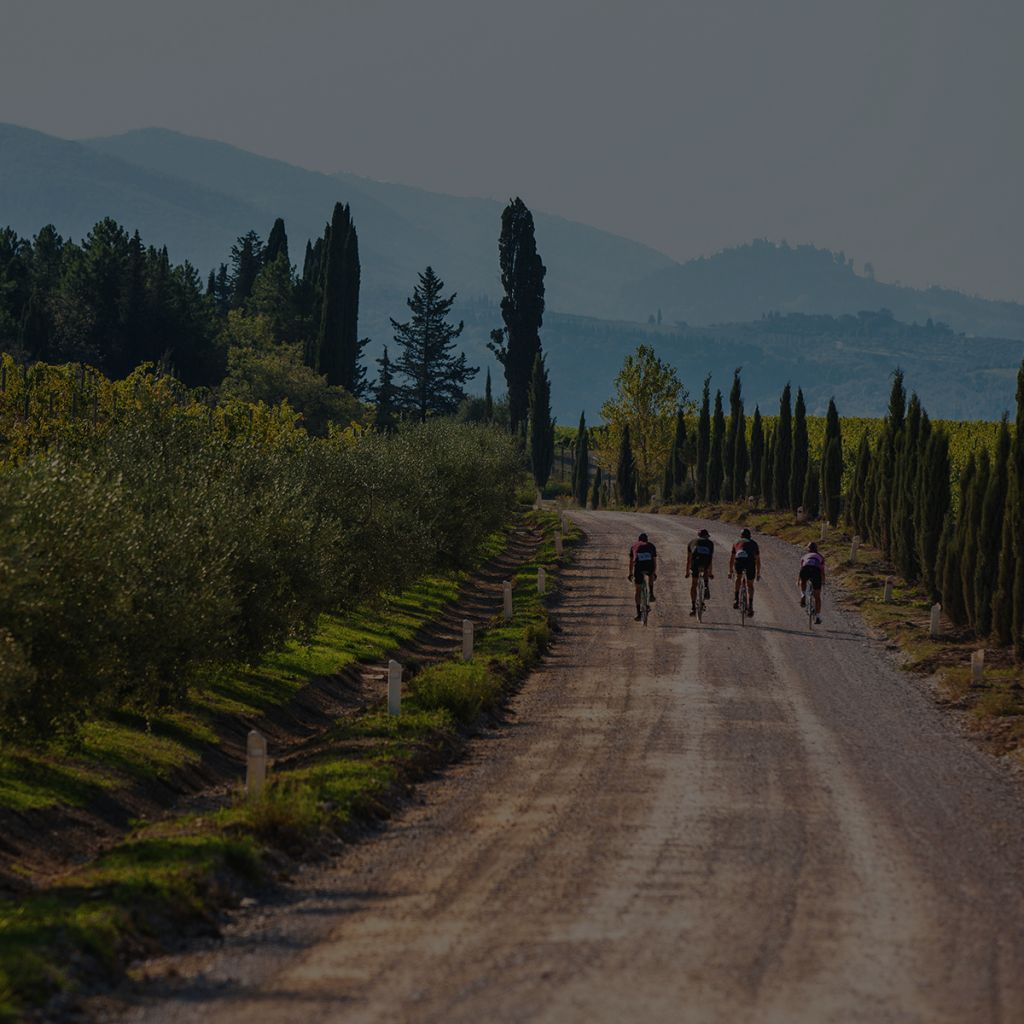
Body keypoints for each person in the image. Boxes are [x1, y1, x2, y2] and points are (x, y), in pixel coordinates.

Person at [729, 527, 761, 616]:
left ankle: (736, 599)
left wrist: (730, 571)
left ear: (741, 536)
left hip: (739, 561)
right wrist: (758, 572)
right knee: (750, 584)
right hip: (750, 563)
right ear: (750, 536)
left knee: (738, 577)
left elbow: (732, 559)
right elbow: (758, 560)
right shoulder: (754, 543)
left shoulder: (736, 542)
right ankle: (750, 606)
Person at [628, 532, 658, 622]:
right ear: (647, 540)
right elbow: (654, 561)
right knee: (651, 574)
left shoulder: (634, 546)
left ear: (638, 540)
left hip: (639, 567)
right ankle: (651, 593)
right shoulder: (651, 546)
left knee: (638, 590)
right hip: (649, 566)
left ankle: (638, 613)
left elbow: (631, 562)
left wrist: (630, 573)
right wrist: (654, 572)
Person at [685, 528, 715, 616]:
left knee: (694, 584)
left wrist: (687, 572)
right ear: (707, 536)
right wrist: (710, 573)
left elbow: (689, 559)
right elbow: (710, 559)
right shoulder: (710, 543)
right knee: (705, 568)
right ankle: (706, 584)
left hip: (695, 563)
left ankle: (693, 607)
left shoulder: (692, 542)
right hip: (705, 562)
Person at [798, 541, 826, 624]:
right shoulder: (820, 556)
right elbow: (822, 571)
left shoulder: (805, 556)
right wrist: (823, 581)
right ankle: (818, 616)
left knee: (803, 582)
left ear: (808, 549)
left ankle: (803, 594)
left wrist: (798, 580)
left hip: (805, 569)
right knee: (817, 596)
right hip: (816, 571)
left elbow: (801, 568)